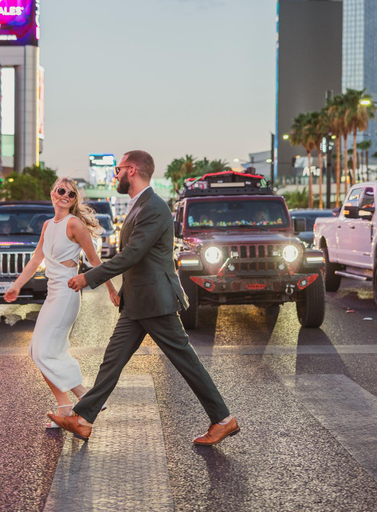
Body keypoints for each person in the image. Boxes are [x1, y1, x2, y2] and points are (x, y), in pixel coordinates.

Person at [52, 150, 239, 446]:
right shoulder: (140, 205)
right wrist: (122, 292)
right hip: (138, 302)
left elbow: (133, 254)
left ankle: (224, 420)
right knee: (111, 361)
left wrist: (89, 277)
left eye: (118, 168)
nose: (115, 174)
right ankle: (83, 420)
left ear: (133, 170)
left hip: (156, 302)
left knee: (186, 361)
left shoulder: (153, 207)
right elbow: (142, 259)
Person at [4, 178, 119, 428]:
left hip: (67, 293)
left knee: (44, 352)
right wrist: (16, 285)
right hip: (52, 292)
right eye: (61, 190)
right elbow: (36, 260)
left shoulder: (74, 223)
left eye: (70, 193)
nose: (65, 195)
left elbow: (94, 260)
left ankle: (85, 396)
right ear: (52, 193)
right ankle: (66, 407)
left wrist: (111, 288)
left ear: (74, 199)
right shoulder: (48, 225)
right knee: (37, 351)